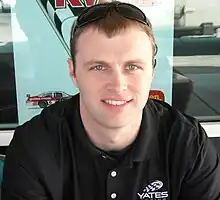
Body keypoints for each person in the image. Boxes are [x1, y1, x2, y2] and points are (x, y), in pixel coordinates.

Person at [2, 1, 220, 200]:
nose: (117, 85)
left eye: (132, 67)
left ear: (152, 71)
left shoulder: (188, 145)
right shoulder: (33, 147)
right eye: (99, 67)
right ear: (73, 72)